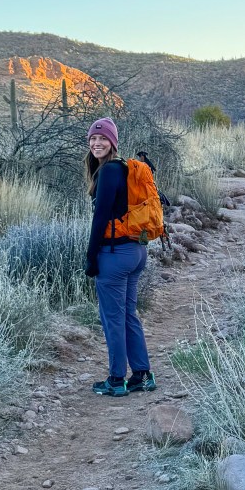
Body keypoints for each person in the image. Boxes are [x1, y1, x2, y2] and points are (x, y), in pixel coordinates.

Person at [84, 116, 156, 397]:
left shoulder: (109, 171)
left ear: (113, 143)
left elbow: (100, 218)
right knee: (128, 315)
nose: (97, 143)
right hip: (136, 252)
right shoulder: (125, 169)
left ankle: (116, 379)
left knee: (113, 318)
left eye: (103, 139)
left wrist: (91, 257)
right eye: (93, 138)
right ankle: (142, 375)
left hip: (114, 254)